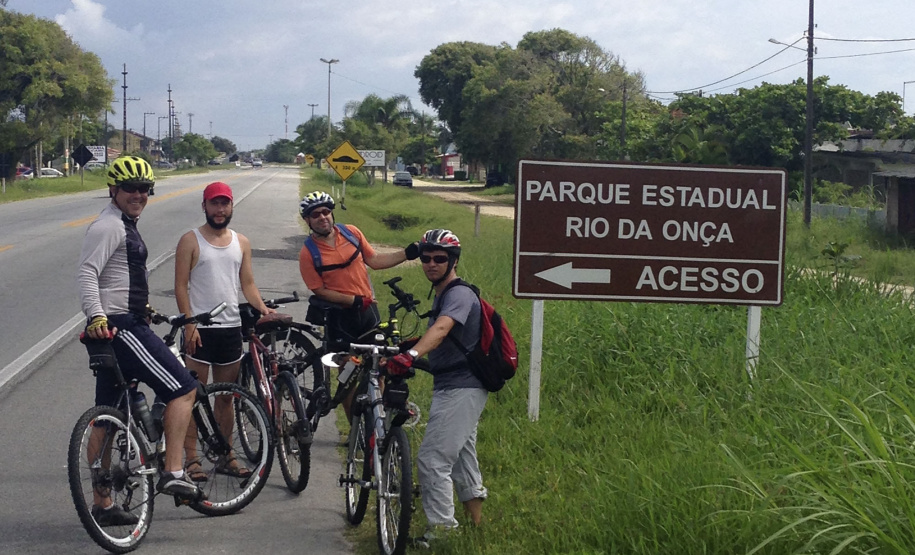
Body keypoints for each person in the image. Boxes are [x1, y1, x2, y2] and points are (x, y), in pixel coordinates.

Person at [77, 156, 201, 526]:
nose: (138, 195)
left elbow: (117, 277)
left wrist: (143, 306)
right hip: (120, 326)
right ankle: (174, 471)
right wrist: (97, 315)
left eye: (145, 189)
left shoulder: (122, 224)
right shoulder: (110, 226)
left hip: (121, 320)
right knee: (184, 389)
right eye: (130, 188)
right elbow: (87, 273)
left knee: (106, 417)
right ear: (113, 190)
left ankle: (103, 505)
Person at [383, 229, 488, 543]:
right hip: (456, 385)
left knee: (433, 459)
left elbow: (442, 328)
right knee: (462, 457)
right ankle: (476, 527)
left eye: (439, 258)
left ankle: (441, 532)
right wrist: (408, 347)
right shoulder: (443, 294)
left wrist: (412, 355)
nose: (431, 263)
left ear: (453, 261)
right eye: (426, 258)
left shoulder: (458, 294)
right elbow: (441, 336)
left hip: (461, 387)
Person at [174, 181, 274, 481]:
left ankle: (226, 454)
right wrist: (189, 323)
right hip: (200, 330)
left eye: (224, 204)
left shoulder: (241, 242)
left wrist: (264, 309)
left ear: (231, 206)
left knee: (226, 397)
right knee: (192, 397)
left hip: (230, 328)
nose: (220, 210)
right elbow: (180, 286)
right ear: (204, 206)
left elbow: (247, 284)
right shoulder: (190, 241)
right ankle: (191, 459)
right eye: (214, 204)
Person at [297, 191, 419, 419]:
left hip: (367, 311)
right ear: (307, 220)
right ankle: (355, 426)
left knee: (378, 367)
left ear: (331, 213)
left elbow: (374, 260)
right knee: (348, 373)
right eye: (315, 215)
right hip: (340, 317)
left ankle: (376, 424)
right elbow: (319, 290)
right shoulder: (307, 253)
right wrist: (352, 300)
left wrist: (406, 253)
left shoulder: (351, 233)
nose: (322, 217)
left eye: (326, 212)